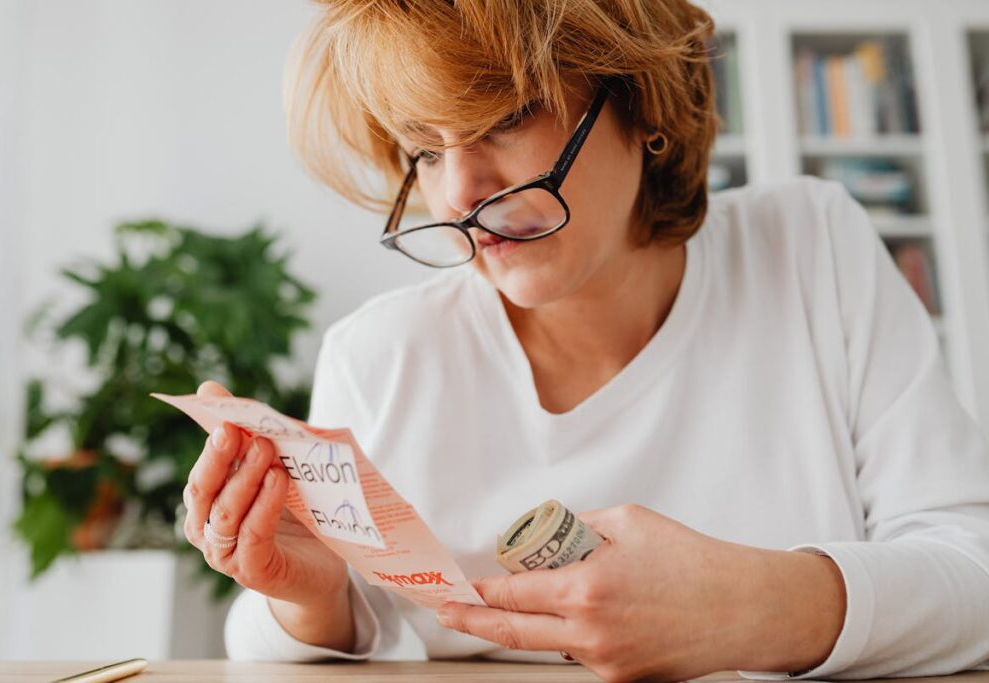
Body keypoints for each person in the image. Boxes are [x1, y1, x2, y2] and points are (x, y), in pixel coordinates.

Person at [179, 1, 989, 681]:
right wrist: (312, 599)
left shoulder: (810, 247)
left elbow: (973, 571)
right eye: (424, 149)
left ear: (640, 102)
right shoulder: (380, 354)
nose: (459, 194)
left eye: (504, 118)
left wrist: (748, 607)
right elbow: (286, 647)